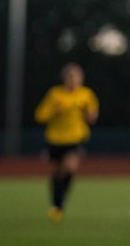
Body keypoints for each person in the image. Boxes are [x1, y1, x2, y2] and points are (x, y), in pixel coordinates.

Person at [34, 62, 99, 223]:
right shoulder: (55, 94)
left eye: (76, 76)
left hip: (75, 138)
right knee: (56, 173)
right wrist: (54, 110)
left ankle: (60, 202)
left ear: (81, 78)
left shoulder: (86, 95)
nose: (73, 80)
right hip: (55, 139)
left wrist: (88, 114)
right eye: (70, 76)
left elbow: (92, 117)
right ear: (64, 78)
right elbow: (39, 116)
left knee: (69, 167)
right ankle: (56, 204)